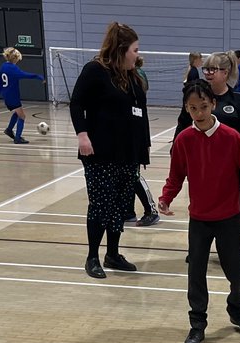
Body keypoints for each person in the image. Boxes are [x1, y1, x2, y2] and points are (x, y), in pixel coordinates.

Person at [159, 79, 240, 343]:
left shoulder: (231, 137)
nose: (199, 113)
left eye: (204, 106)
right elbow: (176, 175)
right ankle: (197, 324)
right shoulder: (184, 140)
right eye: (193, 108)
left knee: (236, 270)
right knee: (196, 273)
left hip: (229, 217)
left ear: (213, 104)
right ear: (186, 108)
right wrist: (165, 198)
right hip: (200, 220)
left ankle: (236, 310)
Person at [69, 21, 150, 278]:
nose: (138, 55)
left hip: (127, 155)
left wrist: (142, 151)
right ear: (121, 48)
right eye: (135, 50)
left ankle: (113, 254)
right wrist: (82, 135)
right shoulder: (95, 70)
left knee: (121, 206)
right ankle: (92, 256)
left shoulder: (133, 78)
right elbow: (76, 104)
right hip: (100, 153)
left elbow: (141, 115)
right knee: (101, 206)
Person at [174, 51, 240, 140]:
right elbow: (182, 127)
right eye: (206, 69)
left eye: (212, 69)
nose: (207, 73)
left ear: (225, 72)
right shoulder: (195, 97)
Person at [127, 56, 159, 227]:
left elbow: (139, 114)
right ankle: (128, 211)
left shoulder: (135, 79)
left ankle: (151, 210)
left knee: (134, 175)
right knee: (127, 175)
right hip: (129, 135)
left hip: (136, 135)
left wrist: (143, 141)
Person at [0, 47, 44, 144]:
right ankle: (17, 138)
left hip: (6, 95)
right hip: (13, 96)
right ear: (15, 58)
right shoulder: (13, 68)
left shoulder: (3, 66)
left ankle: (9, 130)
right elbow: (25, 75)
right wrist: (38, 76)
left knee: (17, 113)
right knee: (22, 116)